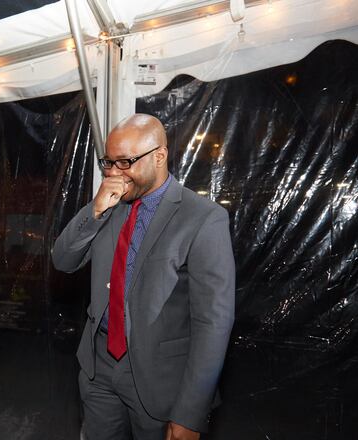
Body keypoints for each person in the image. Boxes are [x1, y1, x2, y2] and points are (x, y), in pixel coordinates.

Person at [52, 114, 235, 440]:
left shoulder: (203, 219)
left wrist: (190, 413)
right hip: (100, 369)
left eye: (126, 162)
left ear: (159, 157)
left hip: (161, 380)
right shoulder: (108, 205)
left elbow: (213, 322)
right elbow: (63, 260)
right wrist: (94, 212)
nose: (114, 174)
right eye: (108, 162)